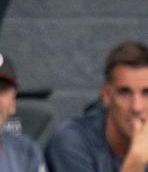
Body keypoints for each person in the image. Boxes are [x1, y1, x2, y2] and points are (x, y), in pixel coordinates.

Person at [45, 41, 148, 172]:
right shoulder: (72, 141)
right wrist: (136, 160)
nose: (136, 107)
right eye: (124, 93)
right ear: (106, 95)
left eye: (146, 93)